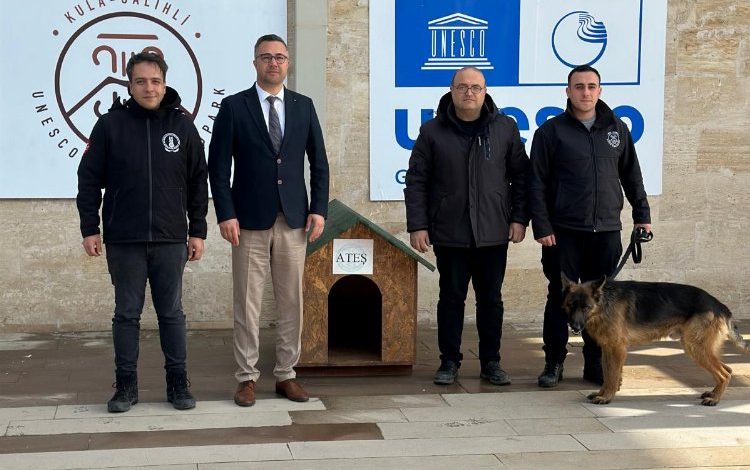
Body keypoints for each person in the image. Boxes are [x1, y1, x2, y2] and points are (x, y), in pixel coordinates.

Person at [77, 51, 208, 412]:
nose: (149, 88)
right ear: (129, 85)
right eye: (141, 81)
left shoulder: (183, 126)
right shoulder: (110, 125)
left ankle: (178, 385)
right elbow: (88, 179)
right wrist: (90, 228)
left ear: (164, 84)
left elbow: (198, 181)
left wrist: (198, 231)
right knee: (126, 315)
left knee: (172, 314)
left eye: (155, 81)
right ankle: (126, 387)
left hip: (170, 238)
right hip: (125, 239)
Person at [208, 34, 329, 407]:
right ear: (255, 63)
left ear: (288, 63)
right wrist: (226, 213)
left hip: (294, 220)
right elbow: (217, 167)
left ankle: (286, 375)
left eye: (279, 57)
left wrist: (318, 208)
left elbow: (319, 162)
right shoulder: (234, 107)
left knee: (292, 301)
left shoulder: (303, 106)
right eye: (266, 57)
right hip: (248, 221)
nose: (273, 63)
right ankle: (246, 377)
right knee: (247, 303)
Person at [404, 67, 529, 386]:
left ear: (485, 91)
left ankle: (491, 362)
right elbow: (416, 181)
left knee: (491, 300)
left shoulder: (505, 128)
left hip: (493, 231)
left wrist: (519, 218)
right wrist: (418, 225)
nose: (469, 92)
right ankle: (449, 361)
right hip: (450, 231)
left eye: (476, 87)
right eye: (462, 87)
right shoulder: (432, 131)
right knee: (451, 298)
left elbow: (521, 177)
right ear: (452, 90)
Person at [529, 64, 651, 388]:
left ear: (600, 90)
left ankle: (595, 365)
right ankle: (554, 362)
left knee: (602, 302)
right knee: (560, 297)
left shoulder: (617, 129)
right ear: (568, 92)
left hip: (606, 231)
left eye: (591, 86)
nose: (585, 92)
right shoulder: (550, 132)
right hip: (563, 232)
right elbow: (536, 182)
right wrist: (541, 225)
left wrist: (642, 214)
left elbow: (632, 175)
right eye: (579, 86)